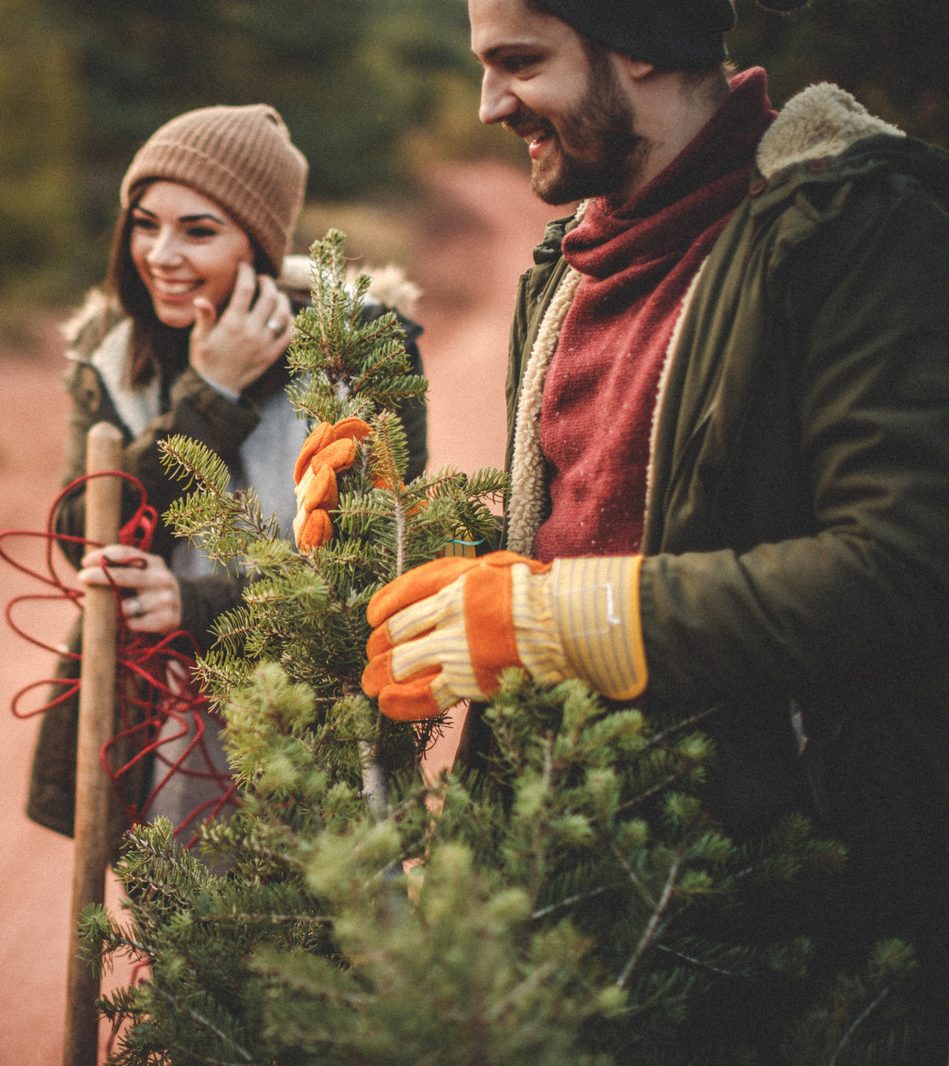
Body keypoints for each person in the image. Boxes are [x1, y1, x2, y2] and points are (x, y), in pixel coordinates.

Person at [361, 0, 949, 1056]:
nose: (488, 104)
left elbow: (900, 569)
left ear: (637, 42)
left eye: (518, 62)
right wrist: (390, 513)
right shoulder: (568, 264)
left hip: (789, 933)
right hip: (580, 905)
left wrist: (553, 621)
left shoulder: (857, 229)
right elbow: (591, 528)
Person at [26, 104, 429, 846]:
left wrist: (197, 603)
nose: (161, 254)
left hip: (320, 721)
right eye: (146, 223)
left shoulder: (359, 346)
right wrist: (207, 396)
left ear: (260, 245)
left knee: (328, 943)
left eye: (199, 230)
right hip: (162, 725)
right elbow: (86, 541)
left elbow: (376, 566)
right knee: (182, 942)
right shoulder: (112, 353)